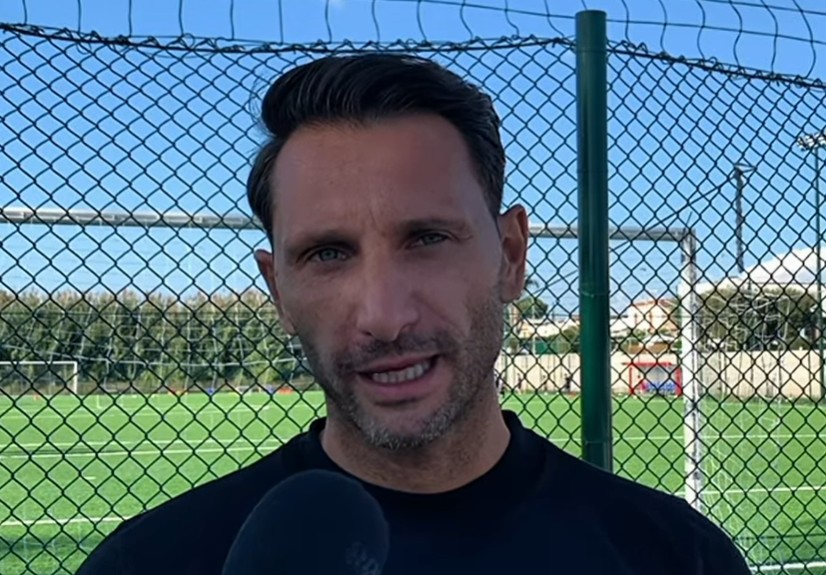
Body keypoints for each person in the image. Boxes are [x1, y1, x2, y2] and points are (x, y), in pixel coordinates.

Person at [77, 53, 751, 574]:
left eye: (427, 239)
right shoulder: (151, 562)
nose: (384, 315)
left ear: (510, 256)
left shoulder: (677, 556)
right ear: (278, 290)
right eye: (328, 253)